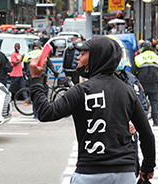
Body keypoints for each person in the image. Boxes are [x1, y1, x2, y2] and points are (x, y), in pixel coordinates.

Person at [29, 35, 156, 183]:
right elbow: (147, 134)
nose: (77, 58)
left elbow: (45, 112)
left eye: (82, 54)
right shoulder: (127, 91)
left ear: (97, 58)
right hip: (124, 173)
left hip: (90, 173)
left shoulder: (81, 91)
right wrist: (147, 167)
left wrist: (36, 79)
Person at [114, 52, 148, 177]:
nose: (121, 60)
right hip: (112, 137)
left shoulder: (132, 79)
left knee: (132, 169)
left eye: (122, 57)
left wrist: (135, 123)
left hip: (131, 136)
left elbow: (142, 105)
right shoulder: (104, 81)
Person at [132, 40, 158, 126]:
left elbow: (133, 72)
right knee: (154, 103)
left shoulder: (138, 58)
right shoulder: (156, 57)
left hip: (142, 84)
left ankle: (142, 122)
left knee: (141, 103)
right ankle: (156, 121)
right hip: (154, 84)